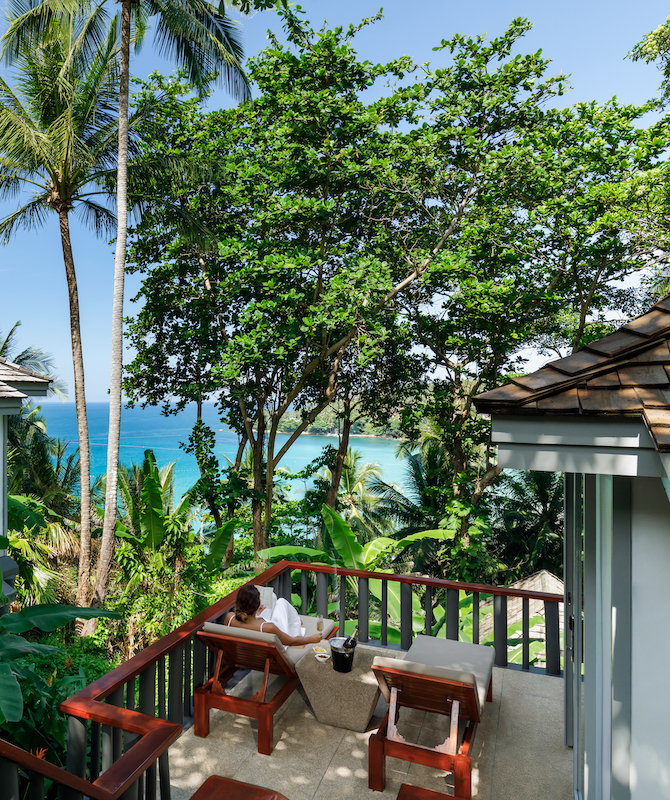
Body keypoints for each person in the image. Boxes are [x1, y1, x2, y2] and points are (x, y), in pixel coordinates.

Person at [224, 584, 322, 646]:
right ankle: (295, 623)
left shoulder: (230, 618)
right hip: (269, 650)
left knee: (273, 597)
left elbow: (246, 626)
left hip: (246, 651)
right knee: (281, 602)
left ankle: (294, 621)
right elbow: (290, 641)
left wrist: (256, 615)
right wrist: (311, 639)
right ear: (256, 605)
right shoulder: (268, 628)